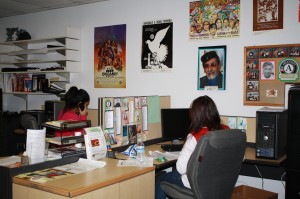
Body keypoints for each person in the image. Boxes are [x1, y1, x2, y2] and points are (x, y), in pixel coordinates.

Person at [155, 95, 229, 199]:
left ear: (196, 115)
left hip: (195, 183)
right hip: (217, 182)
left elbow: (181, 169)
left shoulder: (195, 136)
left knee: (159, 180)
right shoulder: (227, 130)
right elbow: (238, 157)